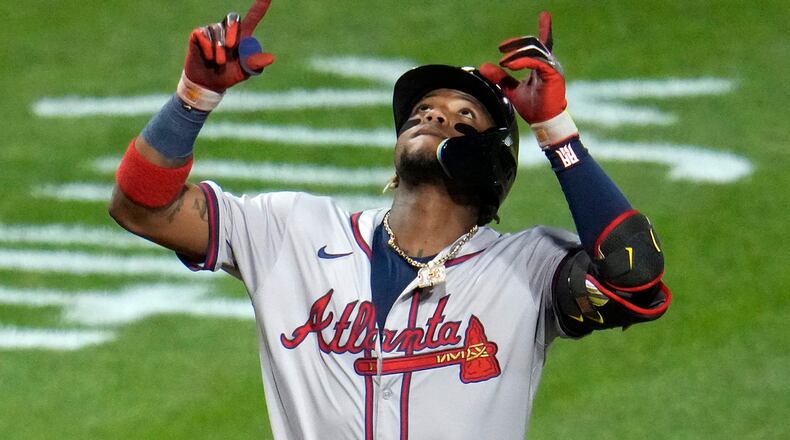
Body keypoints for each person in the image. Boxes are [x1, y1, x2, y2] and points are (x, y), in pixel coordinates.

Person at [108, 1, 671, 438]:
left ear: (490, 163)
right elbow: (141, 207)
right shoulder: (293, 232)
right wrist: (194, 97)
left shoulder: (527, 267)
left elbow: (633, 271)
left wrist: (555, 130)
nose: (431, 116)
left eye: (462, 117)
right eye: (423, 111)